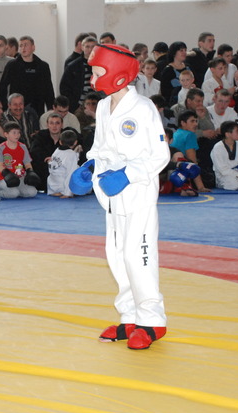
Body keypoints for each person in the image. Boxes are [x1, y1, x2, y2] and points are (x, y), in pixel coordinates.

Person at [70, 44, 170, 350]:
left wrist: (128, 174)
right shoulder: (103, 107)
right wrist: (89, 167)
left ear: (117, 74)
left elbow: (160, 156)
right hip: (111, 198)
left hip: (137, 195)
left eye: (98, 72)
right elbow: (100, 149)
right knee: (117, 256)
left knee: (137, 257)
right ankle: (129, 316)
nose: (92, 78)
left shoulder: (143, 108)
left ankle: (152, 321)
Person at [0, 36, 55, 116]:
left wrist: (50, 108)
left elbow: (48, 89)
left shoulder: (43, 66)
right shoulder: (12, 65)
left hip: (37, 107)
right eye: (21, 45)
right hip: (17, 108)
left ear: (33, 47)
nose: (23, 48)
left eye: (26, 45)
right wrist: (5, 106)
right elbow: (2, 87)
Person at [0, 121, 40, 199]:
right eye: (14, 133)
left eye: (18, 133)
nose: (17, 135)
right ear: (6, 134)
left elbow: (27, 163)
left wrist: (30, 172)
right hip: (5, 177)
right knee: (13, 193)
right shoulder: (1, 148)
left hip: (20, 176)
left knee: (32, 192)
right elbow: (0, 165)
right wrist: (7, 174)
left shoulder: (23, 147)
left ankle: (18, 190)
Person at [170, 110, 210, 193]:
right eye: (192, 121)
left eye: (196, 121)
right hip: (177, 174)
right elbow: (192, 162)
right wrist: (201, 187)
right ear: (183, 123)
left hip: (168, 170)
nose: (196, 124)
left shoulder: (176, 133)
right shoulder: (190, 135)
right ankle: (185, 187)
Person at [60, 36, 97, 111]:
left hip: (98, 105)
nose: (90, 50)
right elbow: (64, 88)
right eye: (87, 46)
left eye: (93, 47)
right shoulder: (73, 66)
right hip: (78, 107)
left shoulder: (102, 65)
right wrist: (73, 104)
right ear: (82, 47)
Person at [30, 112, 63, 190]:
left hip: (61, 167)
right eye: (51, 123)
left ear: (62, 125)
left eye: (57, 123)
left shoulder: (66, 136)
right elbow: (34, 151)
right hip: (44, 169)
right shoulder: (40, 135)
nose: (54, 126)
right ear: (47, 125)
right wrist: (47, 158)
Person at [47, 129, 80, 198]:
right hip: (63, 187)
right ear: (75, 142)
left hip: (52, 185)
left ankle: (55, 191)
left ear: (60, 142)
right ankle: (65, 191)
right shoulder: (71, 154)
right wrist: (68, 193)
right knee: (78, 170)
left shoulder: (57, 150)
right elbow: (70, 174)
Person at [160, 41, 189, 105]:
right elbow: (165, 92)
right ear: (174, 53)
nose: (184, 53)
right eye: (181, 50)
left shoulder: (188, 68)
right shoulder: (168, 71)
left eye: (185, 50)